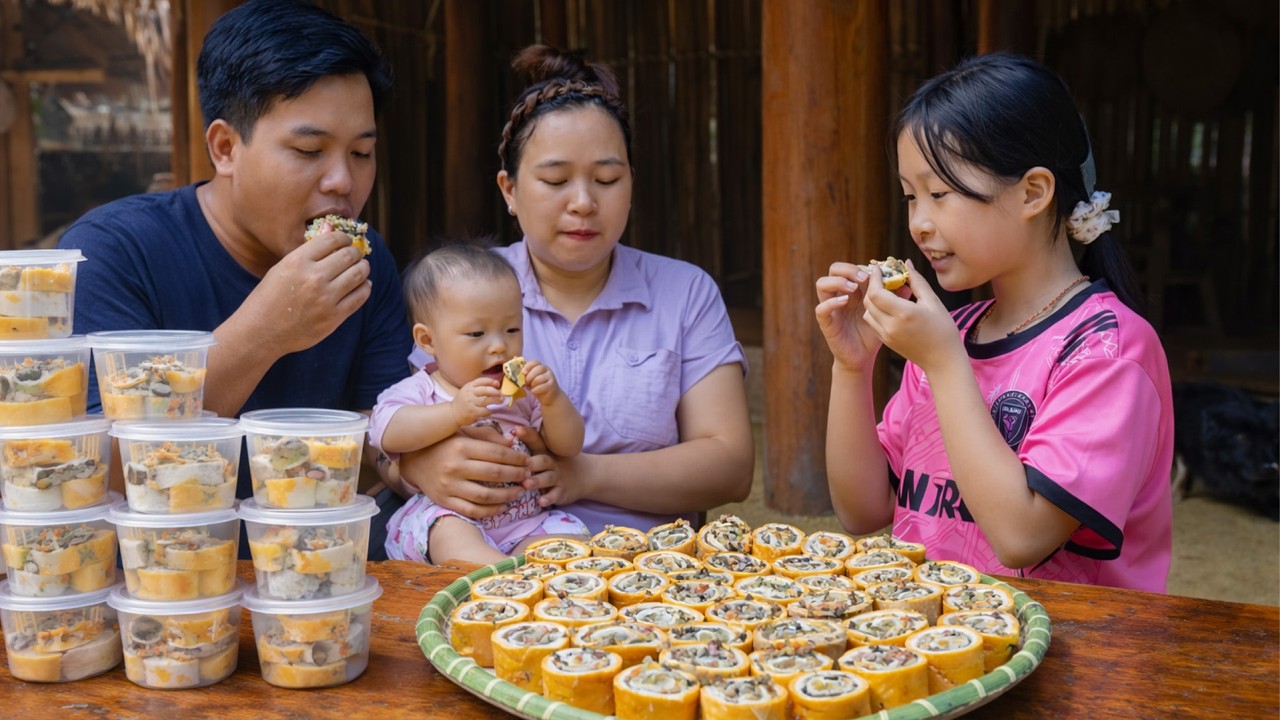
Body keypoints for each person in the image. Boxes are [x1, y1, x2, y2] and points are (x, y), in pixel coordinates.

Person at [814, 52, 1173, 592]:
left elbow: (1022, 536)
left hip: (1073, 660)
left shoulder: (1108, 350)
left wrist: (942, 362)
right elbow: (862, 511)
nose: (919, 224)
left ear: (1033, 192)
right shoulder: (953, 332)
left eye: (940, 194)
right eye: (910, 197)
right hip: (951, 647)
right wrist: (852, 365)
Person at [57, 0, 411, 545]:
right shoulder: (114, 253)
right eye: (309, 149)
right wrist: (262, 334)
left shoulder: (367, 263)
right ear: (225, 148)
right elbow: (88, 477)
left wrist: (418, 460)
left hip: (316, 587)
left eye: (362, 152)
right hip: (158, 594)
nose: (343, 181)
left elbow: (380, 435)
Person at [385, 45, 754, 536]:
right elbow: (396, 427)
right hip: (490, 565)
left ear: (630, 185)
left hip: (646, 567)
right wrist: (412, 469)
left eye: (606, 179)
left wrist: (586, 475)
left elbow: (730, 467)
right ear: (509, 190)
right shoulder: (460, 288)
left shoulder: (684, 292)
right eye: (556, 179)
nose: (583, 202)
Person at [370, 242, 589, 564]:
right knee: (450, 534)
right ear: (427, 340)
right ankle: (499, 576)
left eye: (512, 329)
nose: (500, 346)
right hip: (453, 514)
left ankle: (529, 577)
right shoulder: (423, 390)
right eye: (476, 334)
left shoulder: (523, 392)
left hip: (526, 519)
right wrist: (453, 413)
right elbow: (386, 430)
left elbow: (570, 446)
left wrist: (553, 400)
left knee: (568, 544)